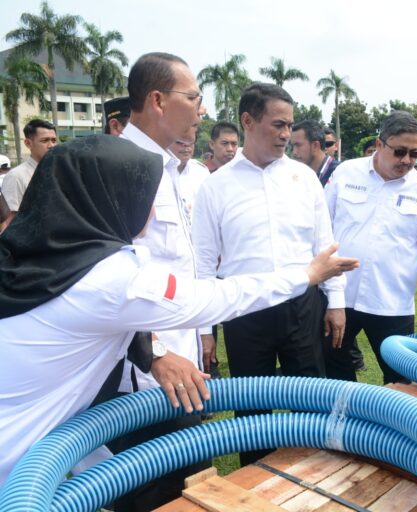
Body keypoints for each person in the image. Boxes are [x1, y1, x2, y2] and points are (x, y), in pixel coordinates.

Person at [0, 135, 358, 489]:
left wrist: (153, 351)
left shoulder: (39, 257)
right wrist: (307, 275)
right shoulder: (111, 278)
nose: (152, 211)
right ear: (111, 200)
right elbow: (217, 296)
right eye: (144, 196)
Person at [192, 82, 345, 467]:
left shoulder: (303, 178)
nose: (285, 134)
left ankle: (316, 476)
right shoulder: (216, 187)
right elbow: (204, 263)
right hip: (245, 313)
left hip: (302, 306)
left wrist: (336, 302)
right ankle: (255, 488)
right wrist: (205, 331)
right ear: (248, 120)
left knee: (310, 399)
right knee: (251, 411)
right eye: (277, 124)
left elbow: (324, 246)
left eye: (289, 125)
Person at [113, 51, 208, 511]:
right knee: (150, 491)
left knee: (189, 485)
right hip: (145, 378)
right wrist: (155, 354)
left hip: (183, 366)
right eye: (192, 97)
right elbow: (107, 277)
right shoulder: (119, 166)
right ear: (156, 100)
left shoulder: (168, 169)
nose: (201, 110)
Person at [324, 111, 417, 383]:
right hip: (340, 295)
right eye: (400, 152)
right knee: (335, 369)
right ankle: (342, 424)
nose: (407, 160)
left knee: (399, 379)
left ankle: (390, 425)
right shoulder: (347, 172)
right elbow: (322, 226)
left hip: (391, 301)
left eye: (414, 154)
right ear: (380, 144)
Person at [0, 119, 57, 231]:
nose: (51, 145)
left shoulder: (61, 172)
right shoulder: (16, 176)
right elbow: (9, 220)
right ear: (28, 143)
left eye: (54, 140)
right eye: (45, 140)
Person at [169, 138, 209, 225]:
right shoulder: (157, 171)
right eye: (180, 142)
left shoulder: (201, 172)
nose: (186, 146)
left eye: (190, 142)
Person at [291, 120, 339, 186]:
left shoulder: (339, 173)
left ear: (315, 145)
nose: (294, 152)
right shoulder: (296, 175)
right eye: (293, 146)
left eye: (298, 145)